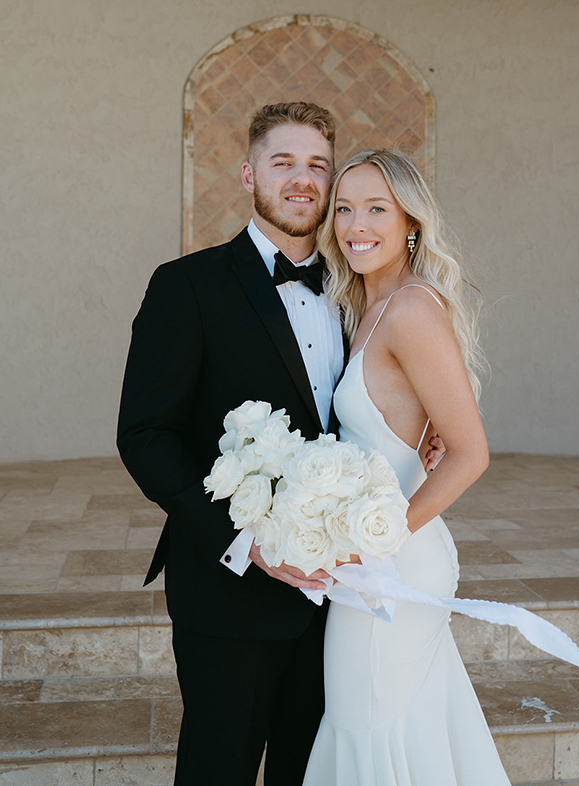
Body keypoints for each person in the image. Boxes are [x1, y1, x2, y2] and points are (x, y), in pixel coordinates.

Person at [117, 103, 444, 786]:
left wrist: (420, 433)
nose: (303, 180)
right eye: (283, 163)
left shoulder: (358, 290)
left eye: (318, 166)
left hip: (342, 598)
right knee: (219, 768)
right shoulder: (187, 286)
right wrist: (247, 545)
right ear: (248, 174)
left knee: (314, 770)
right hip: (229, 588)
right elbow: (145, 436)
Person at [303, 150, 512, 784]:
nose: (354, 224)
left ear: (410, 222)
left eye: (376, 208)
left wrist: (380, 542)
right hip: (379, 563)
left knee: (366, 726)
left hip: (395, 564)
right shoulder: (365, 306)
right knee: (399, 724)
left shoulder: (412, 309)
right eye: (343, 208)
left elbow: (470, 452)